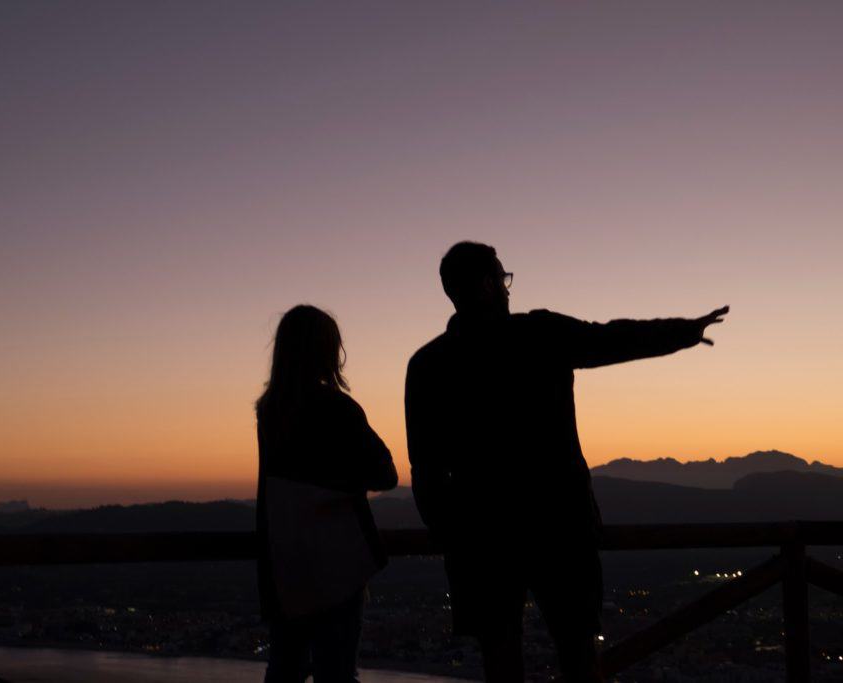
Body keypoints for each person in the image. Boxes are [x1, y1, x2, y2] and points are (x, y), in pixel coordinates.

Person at [404, 242, 728, 682]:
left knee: (500, 659)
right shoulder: (539, 334)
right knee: (577, 651)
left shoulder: (427, 365)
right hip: (560, 524)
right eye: (502, 278)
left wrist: (452, 533)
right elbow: (612, 339)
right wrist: (683, 332)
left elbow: (425, 470)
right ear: (485, 285)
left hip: (481, 537)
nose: (506, 287)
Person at [256, 304, 398, 683]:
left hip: (286, 563)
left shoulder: (269, 412)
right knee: (336, 670)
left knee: (285, 666)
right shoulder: (339, 409)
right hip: (338, 563)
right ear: (326, 351)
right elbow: (385, 473)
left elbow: (267, 495)